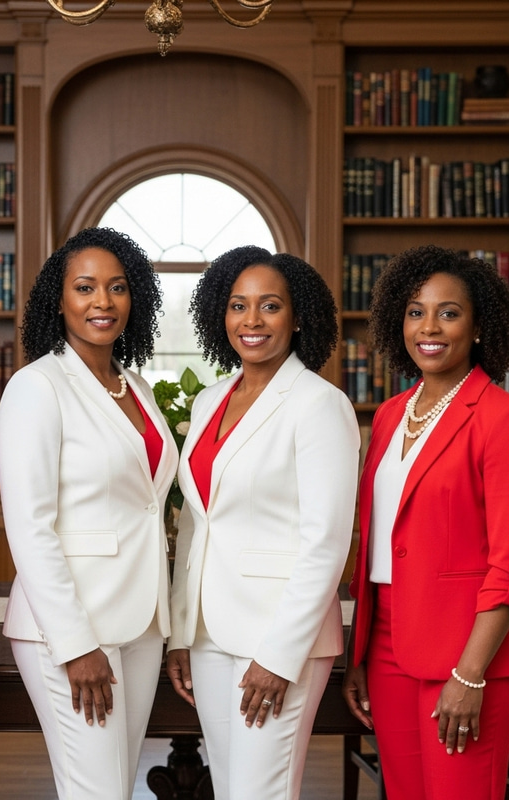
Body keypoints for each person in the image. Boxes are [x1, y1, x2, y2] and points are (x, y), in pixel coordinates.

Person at [342, 244, 509, 800]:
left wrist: (469, 672)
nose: (428, 326)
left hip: (468, 651)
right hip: (387, 645)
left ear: (479, 327)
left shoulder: (508, 420)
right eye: (415, 311)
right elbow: (380, 542)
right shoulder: (388, 416)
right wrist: (360, 654)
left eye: (448, 312)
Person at [167, 245, 360, 800]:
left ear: (298, 317)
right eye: (237, 305)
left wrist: (279, 656)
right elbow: (197, 527)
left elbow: (326, 542)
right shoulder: (208, 401)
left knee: (262, 792)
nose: (251, 320)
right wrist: (182, 632)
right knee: (229, 788)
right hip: (209, 633)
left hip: (278, 639)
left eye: (269, 306)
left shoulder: (319, 404)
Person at [0, 227, 178, 799]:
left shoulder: (137, 388)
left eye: (118, 287)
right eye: (85, 287)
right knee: (94, 790)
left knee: (113, 786)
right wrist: (74, 645)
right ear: (60, 299)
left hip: (142, 618)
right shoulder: (37, 386)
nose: (103, 301)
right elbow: (29, 525)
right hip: (71, 627)